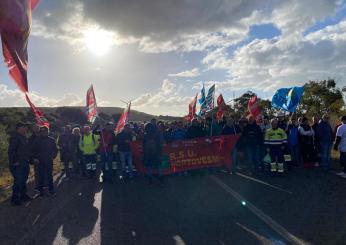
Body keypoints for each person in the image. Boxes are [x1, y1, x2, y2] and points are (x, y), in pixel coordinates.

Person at [8, 122, 32, 205]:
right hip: (17, 164)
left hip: (24, 162)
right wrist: (14, 161)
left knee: (23, 180)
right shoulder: (15, 137)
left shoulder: (23, 137)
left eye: (26, 127)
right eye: (24, 127)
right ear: (19, 128)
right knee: (18, 181)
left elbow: (26, 150)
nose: (26, 129)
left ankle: (23, 195)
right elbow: (11, 151)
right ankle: (15, 199)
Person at [32, 126, 58, 196]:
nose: (44, 133)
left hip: (49, 161)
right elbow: (33, 150)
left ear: (48, 132)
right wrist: (34, 158)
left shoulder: (52, 140)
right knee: (41, 177)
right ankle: (41, 192)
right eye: (42, 131)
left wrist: (53, 156)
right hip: (40, 161)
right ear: (40, 132)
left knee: (49, 176)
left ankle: (51, 190)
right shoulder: (37, 140)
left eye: (45, 131)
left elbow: (55, 150)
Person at [28, 124, 40, 190]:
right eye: (35, 128)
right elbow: (29, 150)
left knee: (44, 171)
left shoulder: (42, 135)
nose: (36, 129)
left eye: (37, 128)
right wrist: (32, 158)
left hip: (44, 158)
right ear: (33, 129)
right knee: (37, 172)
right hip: (36, 158)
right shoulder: (31, 138)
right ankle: (37, 186)